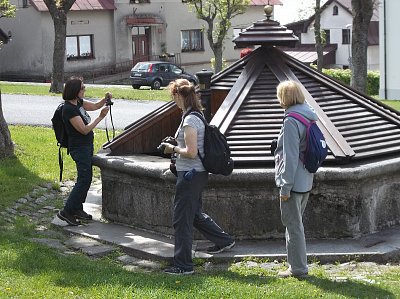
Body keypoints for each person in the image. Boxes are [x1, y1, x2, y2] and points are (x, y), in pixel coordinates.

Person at [161, 78, 235, 275]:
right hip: (196, 174)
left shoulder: (190, 119)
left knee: (181, 219)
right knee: (193, 215)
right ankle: (224, 241)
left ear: (178, 95)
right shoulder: (194, 115)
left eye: (172, 96)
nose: (172, 99)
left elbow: (192, 151)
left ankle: (183, 265)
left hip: (190, 175)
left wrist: (172, 148)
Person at [274, 80, 317, 278]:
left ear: (284, 97)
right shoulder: (308, 115)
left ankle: (298, 268)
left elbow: (290, 157)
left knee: (294, 226)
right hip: (306, 179)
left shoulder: (291, 120)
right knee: (295, 224)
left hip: (293, 183)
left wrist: (284, 187)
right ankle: (295, 264)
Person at [57, 77, 110, 226]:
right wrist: (101, 117)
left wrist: (105, 100)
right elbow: (84, 130)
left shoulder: (78, 103)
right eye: (82, 88)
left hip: (86, 147)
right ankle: (66, 211)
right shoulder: (69, 109)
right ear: (74, 91)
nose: (84, 89)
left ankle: (77, 208)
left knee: (86, 178)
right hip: (79, 148)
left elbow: (94, 106)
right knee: (83, 179)